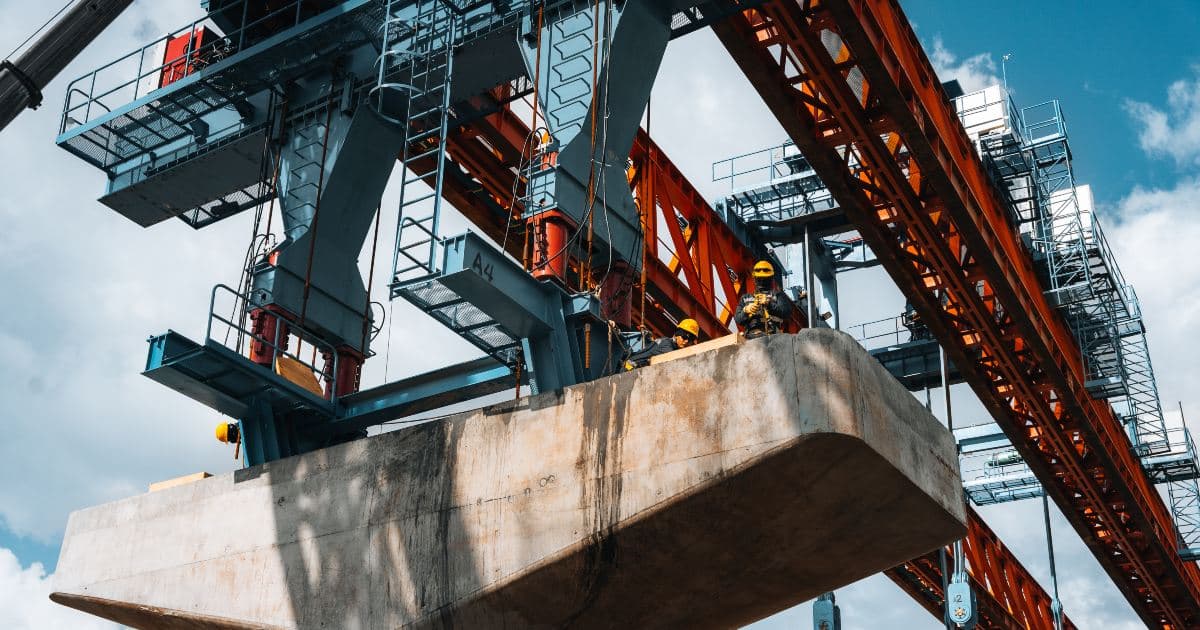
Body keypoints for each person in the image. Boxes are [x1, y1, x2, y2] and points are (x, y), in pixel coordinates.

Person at [735, 260, 792, 339]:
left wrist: (769, 305)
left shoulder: (778, 295)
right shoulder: (745, 298)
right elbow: (738, 319)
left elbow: (786, 312)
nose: (762, 282)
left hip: (773, 336)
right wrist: (746, 311)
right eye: (760, 279)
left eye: (764, 279)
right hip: (751, 338)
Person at [624, 319, 700, 369]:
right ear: (677, 334)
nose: (686, 341)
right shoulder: (667, 346)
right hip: (629, 370)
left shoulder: (664, 341)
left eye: (690, 340)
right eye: (684, 337)